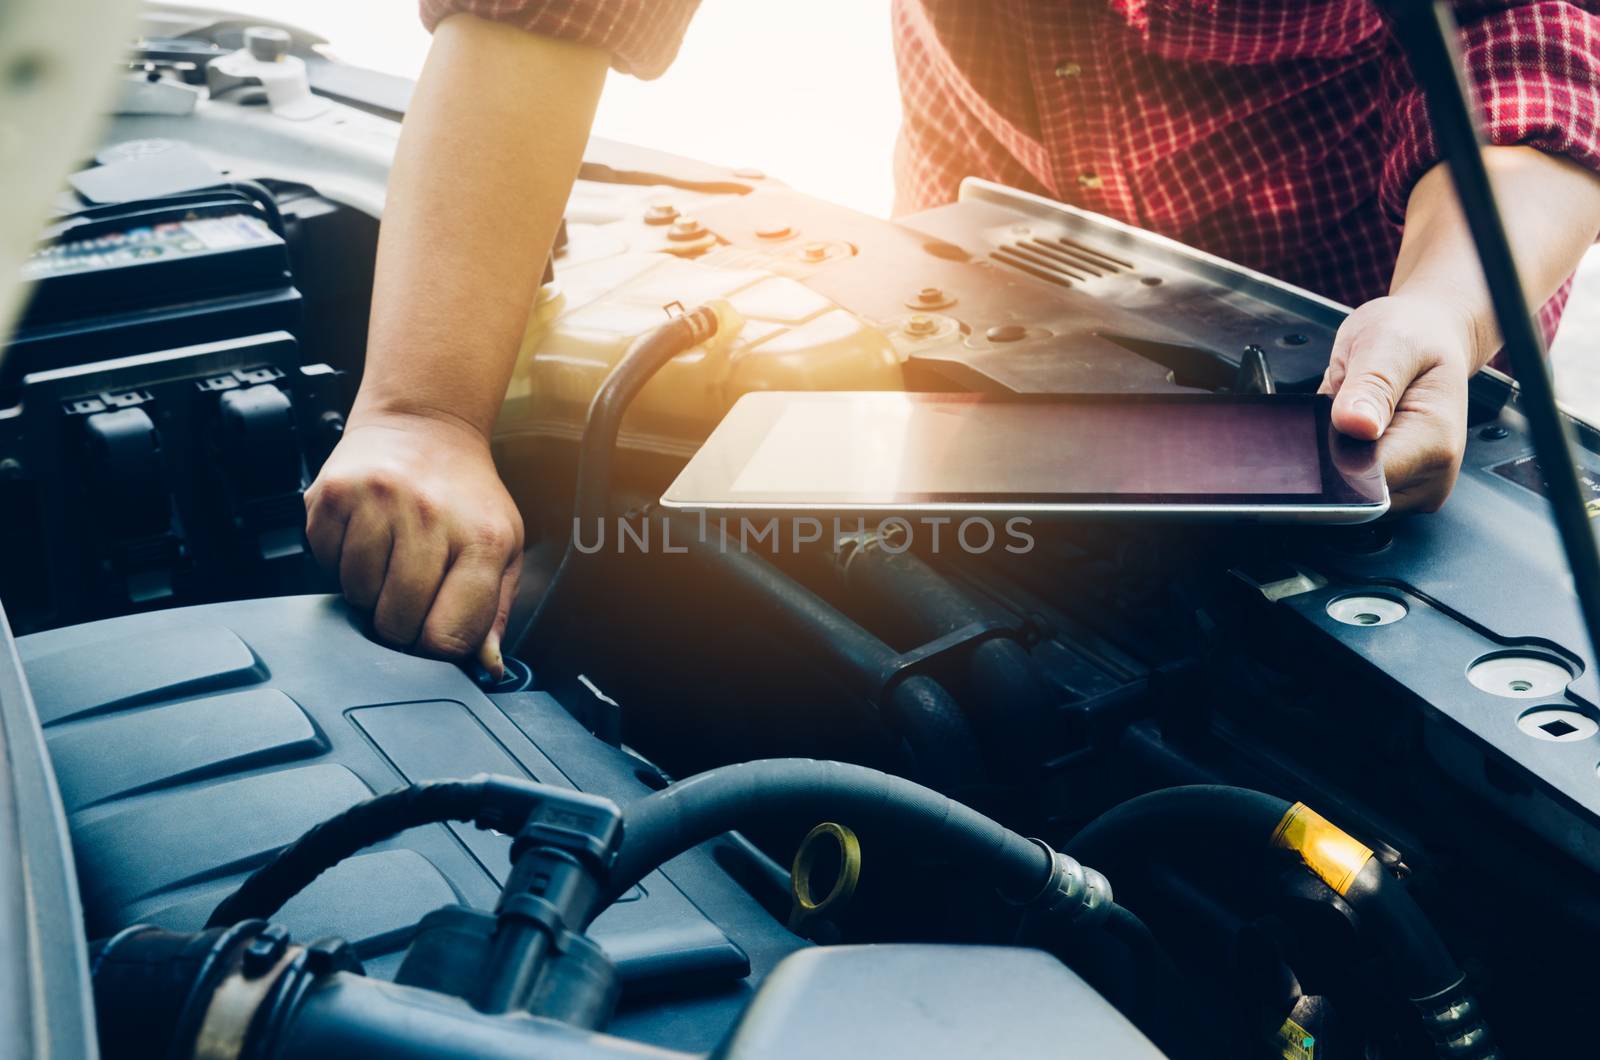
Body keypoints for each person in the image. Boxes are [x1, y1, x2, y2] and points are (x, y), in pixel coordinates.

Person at [304, 1, 1600, 673]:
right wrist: (425, 412)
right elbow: (547, 14)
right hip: (986, 286)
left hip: (1361, 353)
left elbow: (1535, 50)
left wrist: (1443, 305)